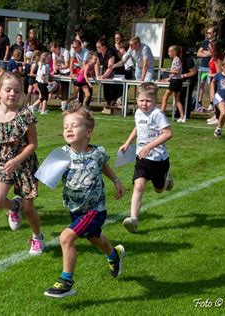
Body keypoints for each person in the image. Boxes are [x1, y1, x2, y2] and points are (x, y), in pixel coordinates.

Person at [43, 109, 125, 298]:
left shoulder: (97, 152)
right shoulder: (61, 154)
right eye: (65, 127)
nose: (68, 129)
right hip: (76, 209)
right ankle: (114, 256)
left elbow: (103, 165)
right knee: (94, 239)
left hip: (95, 210)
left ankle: (66, 281)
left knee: (66, 238)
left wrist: (116, 180)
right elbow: (46, 177)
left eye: (74, 125)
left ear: (88, 132)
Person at [0, 71, 45, 255]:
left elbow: (33, 144)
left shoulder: (25, 115)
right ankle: (14, 207)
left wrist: (18, 160)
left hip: (25, 165)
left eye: (17, 91)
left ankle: (37, 237)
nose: (12, 94)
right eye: (8, 90)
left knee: (29, 209)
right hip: (3, 164)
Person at [119, 82, 173, 233]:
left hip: (159, 159)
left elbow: (168, 133)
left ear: (155, 100)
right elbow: (138, 127)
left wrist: (149, 146)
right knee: (139, 186)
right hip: (142, 158)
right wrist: (127, 143)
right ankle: (133, 219)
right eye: (142, 100)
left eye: (148, 101)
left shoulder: (157, 114)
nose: (144, 104)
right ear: (137, 99)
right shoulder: (138, 113)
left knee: (159, 189)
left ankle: (167, 179)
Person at [96, 36, 123, 111]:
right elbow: (96, 64)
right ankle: (109, 105)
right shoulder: (99, 53)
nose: (97, 49)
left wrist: (104, 76)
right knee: (107, 90)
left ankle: (113, 105)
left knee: (114, 90)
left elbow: (110, 66)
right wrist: (98, 75)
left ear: (104, 47)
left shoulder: (110, 52)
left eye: (99, 47)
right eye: (97, 47)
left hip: (117, 71)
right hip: (107, 71)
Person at [160, 45, 186, 122]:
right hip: (176, 80)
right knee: (177, 100)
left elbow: (177, 71)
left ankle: (161, 115)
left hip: (175, 81)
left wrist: (166, 71)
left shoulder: (176, 60)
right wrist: (168, 78)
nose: (168, 53)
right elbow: (175, 73)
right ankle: (182, 116)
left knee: (165, 98)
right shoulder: (175, 60)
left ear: (174, 52)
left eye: (169, 52)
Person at [196, 26, 218, 108]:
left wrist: (205, 52)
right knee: (201, 84)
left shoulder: (216, 43)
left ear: (214, 33)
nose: (208, 34)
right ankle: (199, 102)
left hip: (211, 68)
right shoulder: (205, 42)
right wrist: (206, 53)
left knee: (211, 85)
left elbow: (214, 54)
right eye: (207, 33)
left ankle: (212, 103)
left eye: (209, 33)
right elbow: (198, 53)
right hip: (202, 67)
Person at [179, 47, 198, 119]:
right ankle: (179, 113)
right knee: (180, 95)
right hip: (182, 78)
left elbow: (194, 72)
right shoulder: (177, 59)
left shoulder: (188, 60)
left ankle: (186, 113)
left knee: (187, 95)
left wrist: (183, 75)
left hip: (190, 79)